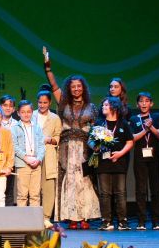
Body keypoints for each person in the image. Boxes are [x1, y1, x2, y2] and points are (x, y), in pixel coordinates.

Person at [42, 47, 100, 229]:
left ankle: (85, 217)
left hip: (84, 149)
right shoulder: (63, 102)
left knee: (84, 180)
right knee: (69, 180)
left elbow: (96, 130)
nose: (76, 88)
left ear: (83, 88)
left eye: (79, 86)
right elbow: (54, 86)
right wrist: (48, 68)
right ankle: (72, 217)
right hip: (66, 148)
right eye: (73, 86)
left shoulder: (91, 107)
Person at [94, 96, 134, 231]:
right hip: (103, 162)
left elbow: (130, 141)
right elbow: (92, 142)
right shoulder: (99, 123)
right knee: (105, 193)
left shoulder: (123, 124)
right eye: (103, 105)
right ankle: (106, 221)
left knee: (120, 193)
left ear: (114, 107)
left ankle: (123, 221)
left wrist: (120, 153)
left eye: (106, 105)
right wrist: (96, 146)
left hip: (119, 162)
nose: (103, 107)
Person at [128, 92, 159, 230]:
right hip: (140, 157)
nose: (144, 104)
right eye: (141, 101)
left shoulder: (156, 117)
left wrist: (152, 127)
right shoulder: (133, 119)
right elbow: (132, 138)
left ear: (151, 103)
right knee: (141, 189)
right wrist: (145, 129)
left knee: (156, 189)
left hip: (155, 157)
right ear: (137, 104)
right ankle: (141, 221)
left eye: (147, 101)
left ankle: (156, 221)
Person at [32, 90, 61, 228]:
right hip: (32, 155)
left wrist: (50, 139)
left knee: (48, 186)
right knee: (33, 187)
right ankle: (33, 216)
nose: (42, 105)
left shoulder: (55, 118)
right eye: (40, 102)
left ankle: (46, 217)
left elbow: (58, 138)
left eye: (45, 102)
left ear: (49, 102)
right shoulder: (31, 115)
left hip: (48, 155)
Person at [12, 100, 44, 208]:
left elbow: (41, 145)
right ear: (18, 113)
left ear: (32, 112)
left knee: (35, 195)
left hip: (36, 164)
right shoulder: (15, 128)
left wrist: (38, 159)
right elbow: (15, 147)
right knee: (22, 195)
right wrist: (26, 158)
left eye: (29, 111)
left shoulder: (37, 127)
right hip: (23, 164)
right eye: (23, 112)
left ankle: (34, 221)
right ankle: (22, 222)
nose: (26, 114)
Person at [0, 94, 18, 205]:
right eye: (5, 105)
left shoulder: (17, 124)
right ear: (0, 106)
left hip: (11, 162)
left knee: (9, 190)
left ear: (14, 109)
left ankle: (8, 217)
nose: (7, 108)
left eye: (10, 106)